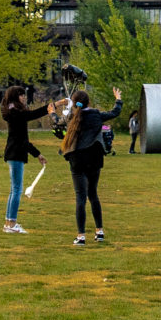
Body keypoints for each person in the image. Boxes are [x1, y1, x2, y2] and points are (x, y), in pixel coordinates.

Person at [60, 86, 120, 245]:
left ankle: (81, 236)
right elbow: (114, 112)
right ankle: (99, 232)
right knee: (92, 194)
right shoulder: (96, 115)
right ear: (88, 102)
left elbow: (58, 124)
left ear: (74, 103)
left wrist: (52, 112)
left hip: (77, 159)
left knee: (80, 197)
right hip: (94, 157)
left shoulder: (72, 117)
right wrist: (118, 99)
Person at [1, 86, 60, 234]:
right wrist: (55, 105)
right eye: (21, 95)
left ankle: (9, 223)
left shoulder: (15, 112)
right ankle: (12, 224)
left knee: (14, 189)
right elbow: (33, 115)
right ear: (15, 97)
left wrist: (37, 154)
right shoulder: (16, 113)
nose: (24, 97)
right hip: (16, 154)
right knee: (16, 190)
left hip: (14, 153)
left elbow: (23, 138)